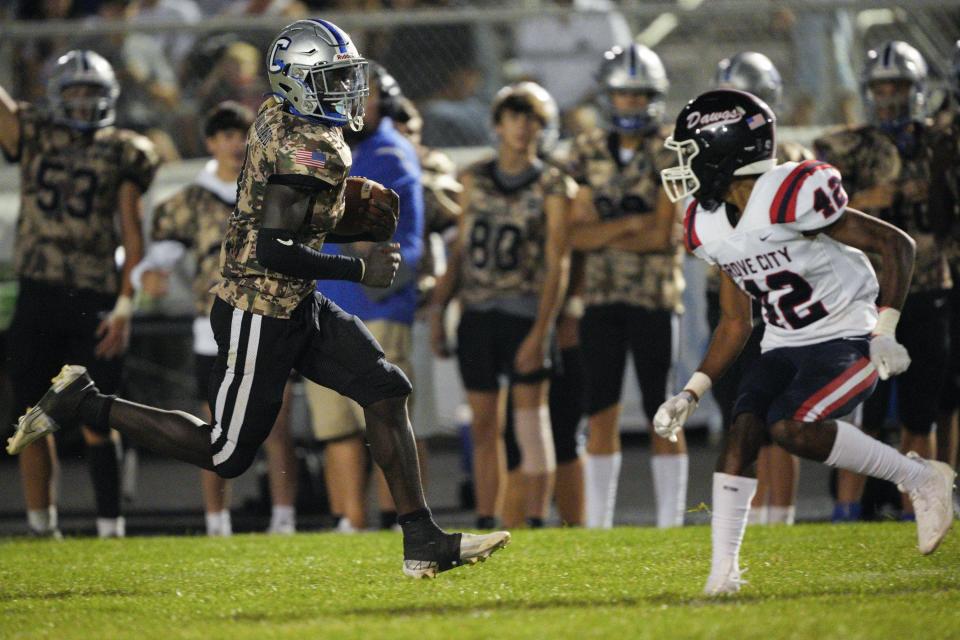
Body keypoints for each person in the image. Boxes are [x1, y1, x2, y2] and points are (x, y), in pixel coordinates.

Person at [8, 19, 508, 577]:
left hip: (291, 298)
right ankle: (84, 401)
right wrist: (358, 263)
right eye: (333, 78)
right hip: (259, 309)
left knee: (386, 390)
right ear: (298, 82)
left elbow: (282, 221)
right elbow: (276, 248)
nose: (347, 89)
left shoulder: (278, 115)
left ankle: (422, 540)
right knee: (225, 453)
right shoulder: (310, 147)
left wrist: (338, 220)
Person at [654, 88, 955, 595]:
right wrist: (692, 391)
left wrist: (885, 328)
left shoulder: (791, 190)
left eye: (691, 149)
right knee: (744, 432)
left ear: (723, 149)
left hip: (847, 334)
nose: (684, 164)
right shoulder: (707, 223)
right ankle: (722, 577)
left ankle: (920, 477)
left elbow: (895, 244)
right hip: (783, 341)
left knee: (791, 427)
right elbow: (734, 321)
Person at [1, 50, 159, 538]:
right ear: (56, 95)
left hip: (93, 293)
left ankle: (111, 527)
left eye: (94, 92)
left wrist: (125, 305)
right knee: (31, 418)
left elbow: (132, 234)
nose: (85, 102)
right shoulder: (34, 131)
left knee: (97, 414)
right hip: (38, 288)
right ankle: (41, 526)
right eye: (76, 92)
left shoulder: (123, 148)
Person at [132, 102, 298, 536]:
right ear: (210, 142)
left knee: (278, 425)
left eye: (241, 133)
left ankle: (284, 519)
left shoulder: (270, 190)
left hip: (269, 318)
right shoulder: (190, 200)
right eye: (224, 134)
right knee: (216, 428)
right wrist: (149, 273)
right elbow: (163, 254)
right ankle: (216, 521)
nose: (234, 143)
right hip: (215, 326)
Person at [815, 41, 952, 520]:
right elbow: (823, 207)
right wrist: (885, 193)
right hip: (864, 294)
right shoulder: (845, 144)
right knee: (858, 412)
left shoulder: (939, 141)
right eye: (882, 86)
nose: (890, 95)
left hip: (929, 285)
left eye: (899, 85)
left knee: (923, 409)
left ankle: (921, 508)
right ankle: (847, 512)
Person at [431, 81, 575, 529]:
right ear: (497, 125)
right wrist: (439, 310)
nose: (522, 127)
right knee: (483, 422)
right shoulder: (473, 177)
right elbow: (458, 253)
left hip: (524, 310)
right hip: (476, 311)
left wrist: (542, 328)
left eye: (531, 118)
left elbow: (558, 262)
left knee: (529, 421)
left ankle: (535, 519)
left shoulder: (553, 183)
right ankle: (486, 518)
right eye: (514, 117)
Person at [566, 44, 687, 529]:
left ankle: (671, 521)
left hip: (656, 296)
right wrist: (631, 226)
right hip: (598, 296)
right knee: (601, 409)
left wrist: (606, 228)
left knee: (664, 406)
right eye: (622, 95)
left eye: (640, 96)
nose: (631, 105)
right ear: (606, 96)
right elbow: (573, 232)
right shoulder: (585, 149)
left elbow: (664, 234)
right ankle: (599, 525)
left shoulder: (674, 148)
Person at [303, 62, 424, 533]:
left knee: (388, 421)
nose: (354, 104)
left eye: (364, 95)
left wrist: (372, 249)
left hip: (376, 307)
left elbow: (410, 243)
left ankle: (406, 519)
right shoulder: (324, 150)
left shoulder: (389, 154)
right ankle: (348, 523)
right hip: (326, 303)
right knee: (336, 430)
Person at [712, 51, 814, 526]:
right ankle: (748, 522)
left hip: (781, 305)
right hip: (736, 300)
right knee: (741, 415)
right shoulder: (708, 165)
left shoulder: (792, 160)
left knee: (778, 417)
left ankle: (781, 519)